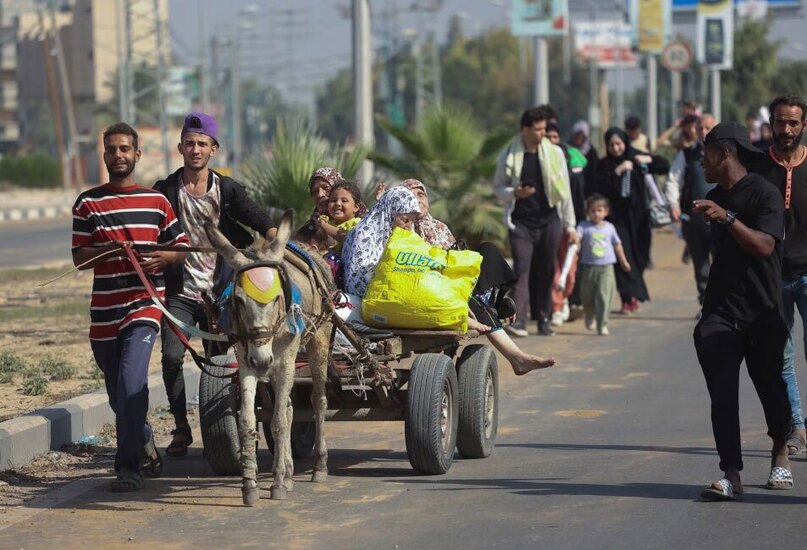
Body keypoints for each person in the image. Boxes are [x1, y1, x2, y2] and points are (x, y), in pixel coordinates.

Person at [72, 123, 189, 491]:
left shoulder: (156, 202)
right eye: (112, 149)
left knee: (131, 382)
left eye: (125, 149)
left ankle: (128, 468)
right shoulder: (87, 203)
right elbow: (79, 258)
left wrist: (165, 258)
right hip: (104, 312)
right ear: (104, 155)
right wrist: (109, 249)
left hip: (144, 306)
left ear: (137, 154)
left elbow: (180, 247)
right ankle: (144, 439)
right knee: (117, 394)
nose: (118, 155)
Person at [152, 112, 274, 458]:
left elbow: (262, 222)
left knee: (221, 363)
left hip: (222, 293)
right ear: (180, 148)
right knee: (171, 357)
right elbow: (146, 228)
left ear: (213, 149)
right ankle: (180, 427)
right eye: (189, 143)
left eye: (202, 144)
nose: (195, 149)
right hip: (181, 291)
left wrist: (272, 245)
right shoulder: (164, 191)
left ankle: (227, 430)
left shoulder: (228, 189)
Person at [346, 183, 556, 375]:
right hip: (389, 297)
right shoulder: (374, 233)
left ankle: (493, 306)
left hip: (425, 286)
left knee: (487, 253)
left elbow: (449, 263)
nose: (409, 224)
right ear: (391, 209)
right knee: (470, 302)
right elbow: (377, 277)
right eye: (406, 217)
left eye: (421, 195)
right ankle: (513, 352)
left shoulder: (431, 228)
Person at [692, 121, 792, 500]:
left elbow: (764, 246)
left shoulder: (765, 194)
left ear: (724, 153)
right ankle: (730, 474)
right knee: (722, 394)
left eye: (706, 154)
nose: (702, 162)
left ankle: (780, 450)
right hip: (721, 311)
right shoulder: (715, 196)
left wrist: (728, 218)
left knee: (772, 390)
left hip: (763, 311)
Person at [750, 95, 807, 456]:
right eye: (780, 122)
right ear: (770, 124)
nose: (786, 129)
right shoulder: (757, 168)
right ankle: (797, 427)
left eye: (793, 123)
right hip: (773, 278)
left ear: (804, 126)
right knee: (781, 357)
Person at [493, 106, 578, 337]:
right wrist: (514, 193)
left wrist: (570, 225)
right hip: (521, 223)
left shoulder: (555, 154)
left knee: (546, 269)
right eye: (538, 129)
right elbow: (498, 188)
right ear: (525, 129)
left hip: (550, 221)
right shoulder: (509, 154)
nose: (542, 133)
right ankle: (519, 320)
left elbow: (564, 192)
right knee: (521, 269)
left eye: (544, 128)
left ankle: (543, 317)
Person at [595, 128, 669, 313]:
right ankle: (627, 297)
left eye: (619, 144)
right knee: (624, 256)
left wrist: (646, 160)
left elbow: (663, 166)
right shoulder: (605, 164)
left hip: (639, 217)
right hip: (617, 219)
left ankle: (633, 293)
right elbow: (600, 186)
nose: (616, 148)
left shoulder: (635, 156)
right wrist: (618, 170)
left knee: (640, 256)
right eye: (612, 145)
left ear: (625, 143)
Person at [665, 114, 717, 312]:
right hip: (694, 221)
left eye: (708, 128)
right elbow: (673, 180)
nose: (704, 132)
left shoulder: (726, 152)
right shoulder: (686, 155)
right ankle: (706, 305)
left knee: (723, 263)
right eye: (700, 128)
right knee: (701, 265)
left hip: (721, 221)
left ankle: (723, 306)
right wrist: (673, 204)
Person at [576, 194, 631, 336]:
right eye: (593, 211)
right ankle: (589, 314)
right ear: (588, 212)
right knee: (587, 296)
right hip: (588, 267)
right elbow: (577, 238)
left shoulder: (610, 228)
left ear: (606, 211)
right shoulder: (583, 226)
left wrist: (623, 261)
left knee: (604, 295)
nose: (596, 214)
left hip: (606, 267)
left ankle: (602, 324)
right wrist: (575, 242)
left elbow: (617, 245)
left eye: (599, 210)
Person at [316, 179, 367, 251]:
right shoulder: (325, 220)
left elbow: (349, 238)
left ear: (356, 207)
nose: (337, 203)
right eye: (333, 200)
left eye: (344, 200)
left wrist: (324, 226)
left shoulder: (358, 224)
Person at [568, 120, 599, 196]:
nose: (579, 139)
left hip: (587, 191)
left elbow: (594, 173)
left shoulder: (591, 151)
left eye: (582, 137)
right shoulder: (567, 149)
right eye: (577, 136)